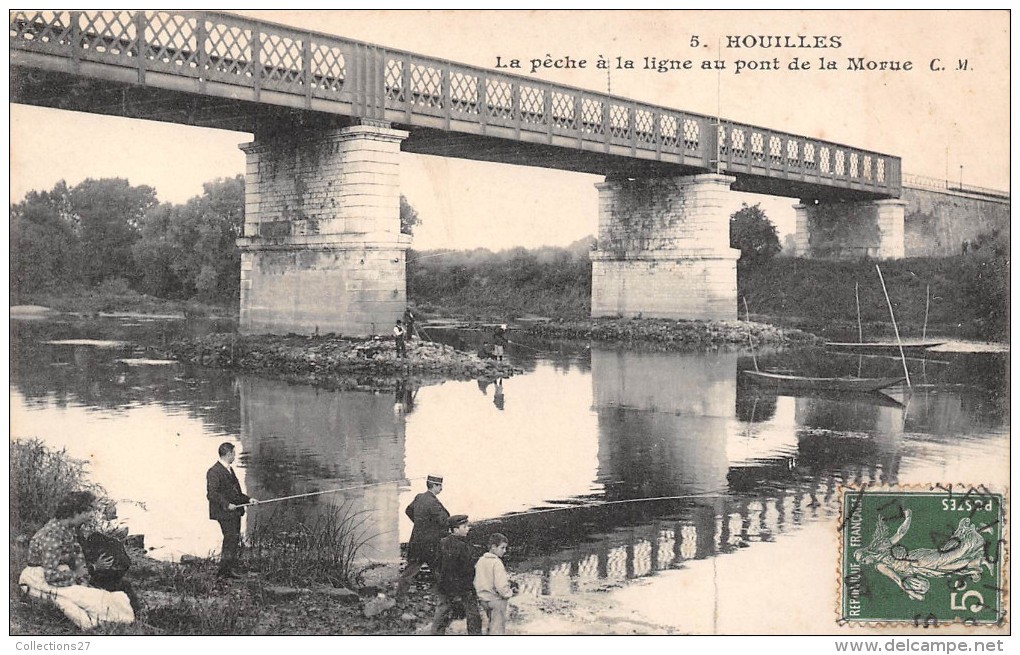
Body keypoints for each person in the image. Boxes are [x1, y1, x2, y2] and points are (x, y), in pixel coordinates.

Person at [21, 491, 135, 628]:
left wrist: (84, 579)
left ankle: (120, 615)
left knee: (97, 595)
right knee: (94, 600)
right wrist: (77, 575)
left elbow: (78, 556)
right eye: (88, 511)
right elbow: (50, 575)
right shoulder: (51, 535)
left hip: (62, 573)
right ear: (75, 511)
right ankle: (115, 619)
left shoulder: (69, 529)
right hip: (39, 578)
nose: (91, 515)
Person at [206, 442, 257, 579]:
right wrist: (227, 504)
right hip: (224, 512)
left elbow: (236, 493)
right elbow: (212, 494)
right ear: (228, 454)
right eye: (234, 453)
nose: (235, 456)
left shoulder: (230, 469)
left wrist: (248, 499)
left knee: (233, 539)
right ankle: (224, 571)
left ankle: (229, 568)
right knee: (230, 538)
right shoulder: (214, 472)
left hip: (234, 512)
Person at [396, 474, 449, 597]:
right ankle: (445, 597)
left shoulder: (419, 497)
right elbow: (443, 521)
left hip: (417, 541)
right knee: (438, 570)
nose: (441, 488)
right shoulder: (433, 502)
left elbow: (408, 510)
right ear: (434, 486)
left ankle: (399, 597)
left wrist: (420, 523)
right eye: (440, 486)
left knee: (409, 571)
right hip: (431, 544)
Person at [431, 515, 482, 635]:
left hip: (445, 584)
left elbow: (436, 564)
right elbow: (468, 569)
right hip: (463, 586)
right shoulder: (463, 546)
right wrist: (469, 585)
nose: (468, 529)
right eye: (464, 527)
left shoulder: (442, 542)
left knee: (442, 611)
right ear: (455, 530)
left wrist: (440, 580)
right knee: (473, 613)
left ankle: (435, 634)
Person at [474, 532, 513, 634]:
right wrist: (507, 594)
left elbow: (476, 580)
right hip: (496, 600)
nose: (504, 551)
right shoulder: (497, 563)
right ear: (493, 547)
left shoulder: (480, 561)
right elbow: (501, 584)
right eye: (502, 548)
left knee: (490, 624)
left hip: (483, 600)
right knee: (498, 629)